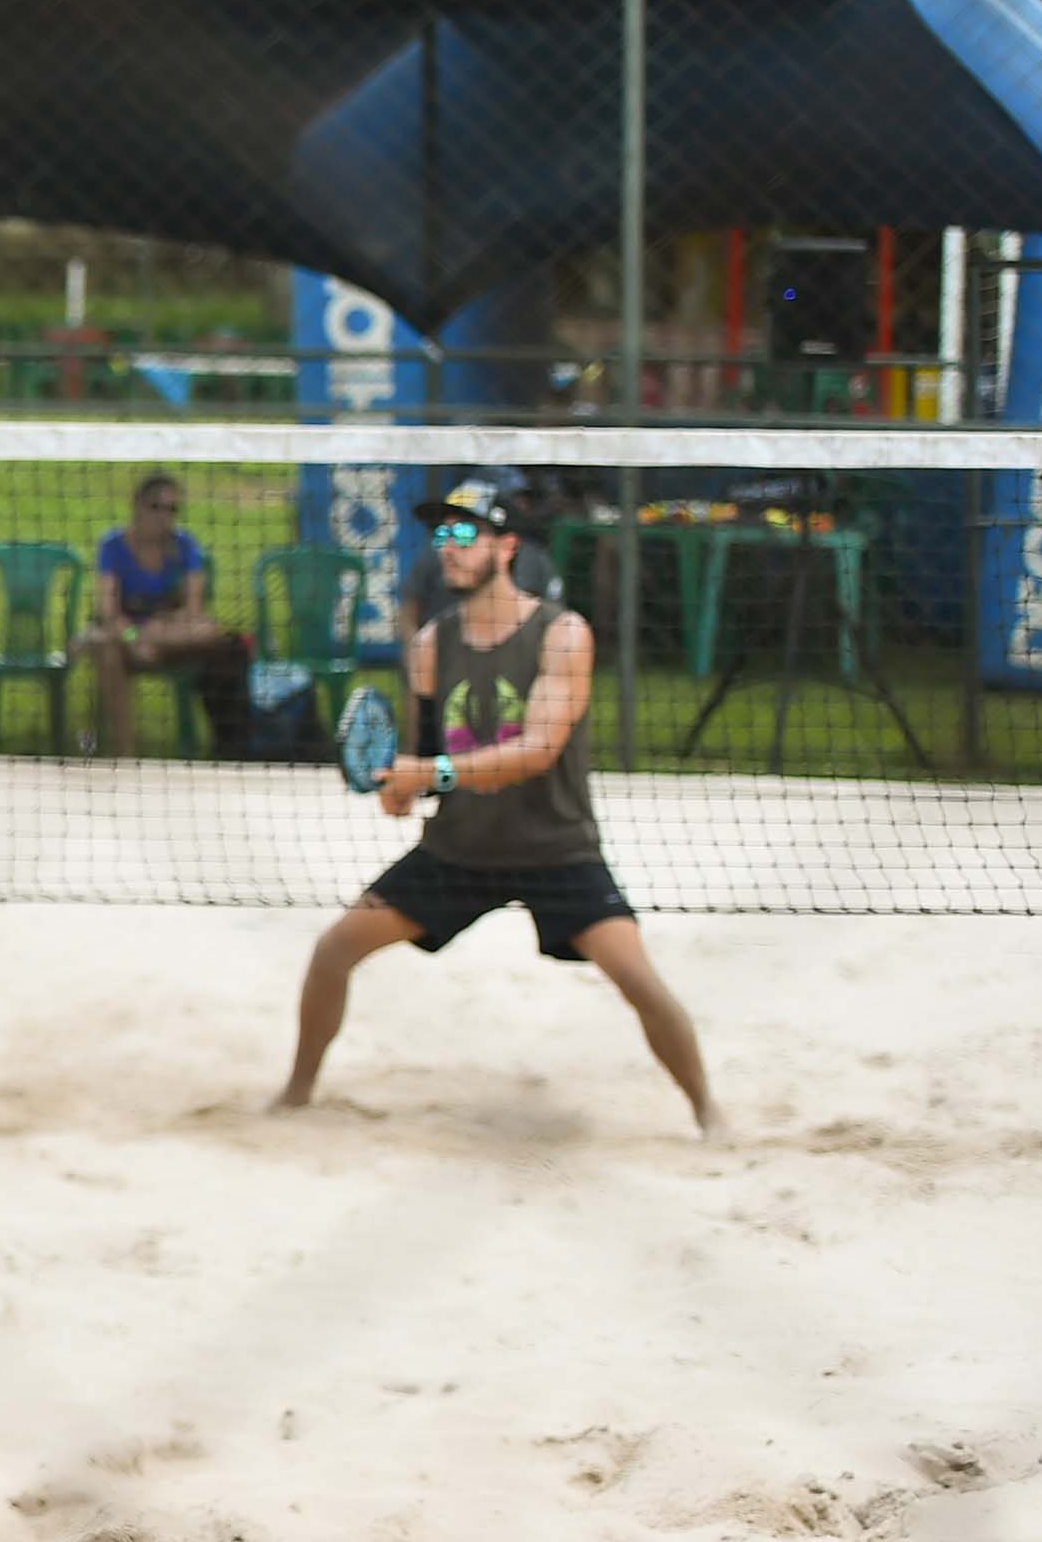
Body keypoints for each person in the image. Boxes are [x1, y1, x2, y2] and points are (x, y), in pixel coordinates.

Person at [275, 479, 720, 1138]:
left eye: (464, 534)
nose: (447, 549)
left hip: (555, 847)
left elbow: (536, 751)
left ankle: (710, 1113)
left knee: (636, 979)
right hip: (461, 849)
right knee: (333, 951)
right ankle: (295, 1096)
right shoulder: (431, 644)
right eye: (440, 535)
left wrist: (426, 771)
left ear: (506, 546)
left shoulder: (562, 635)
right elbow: (429, 760)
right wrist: (402, 789)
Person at [81, 471, 252, 756]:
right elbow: (108, 611)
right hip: (128, 638)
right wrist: (135, 636)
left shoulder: (184, 546)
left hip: (171, 639)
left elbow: (193, 610)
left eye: (172, 509)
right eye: (155, 507)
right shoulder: (113, 546)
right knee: (106, 647)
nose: (163, 516)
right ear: (136, 504)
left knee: (213, 632)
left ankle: (232, 747)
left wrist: (152, 635)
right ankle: (125, 753)